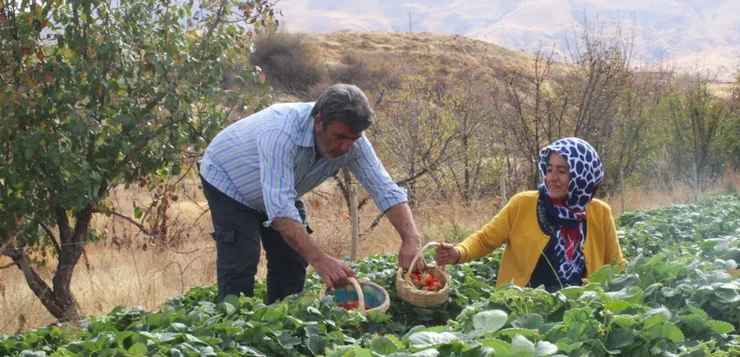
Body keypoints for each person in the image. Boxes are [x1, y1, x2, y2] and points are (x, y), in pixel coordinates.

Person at [199, 84, 423, 304]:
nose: (346, 147)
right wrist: (320, 259)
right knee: (242, 258)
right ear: (318, 122)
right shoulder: (280, 132)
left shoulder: (354, 142)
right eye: (339, 137)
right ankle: (234, 322)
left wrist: (411, 239)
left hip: (280, 188)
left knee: (292, 257)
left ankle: (282, 319)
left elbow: (385, 189)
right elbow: (281, 210)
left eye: (353, 139)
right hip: (230, 181)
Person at [435, 137, 624, 291]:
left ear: (582, 175)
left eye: (562, 171)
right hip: (523, 306)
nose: (552, 178)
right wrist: (458, 253)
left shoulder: (600, 213)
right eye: (549, 169)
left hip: (578, 313)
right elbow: (485, 239)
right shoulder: (522, 204)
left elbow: (616, 266)